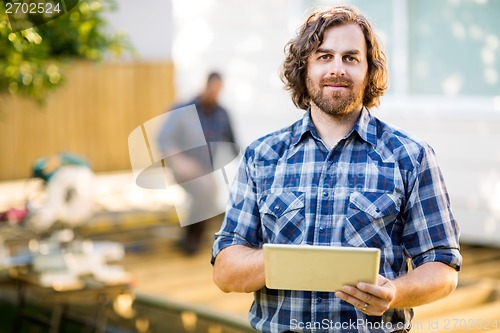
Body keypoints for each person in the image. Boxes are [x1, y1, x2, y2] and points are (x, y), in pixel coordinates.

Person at [211, 5, 461, 333]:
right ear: (304, 68)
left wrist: (395, 293)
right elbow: (225, 271)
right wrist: (285, 261)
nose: (337, 69)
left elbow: (443, 269)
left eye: (351, 57)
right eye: (324, 56)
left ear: (370, 70)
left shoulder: (410, 156)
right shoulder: (263, 156)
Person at [157, 72, 237, 255]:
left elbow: (233, 144)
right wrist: (179, 161)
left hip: (205, 170)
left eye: (218, 91)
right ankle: (190, 241)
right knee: (203, 193)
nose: (214, 95)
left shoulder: (222, 114)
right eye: (212, 90)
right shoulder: (183, 110)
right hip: (183, 168)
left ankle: (191, 239)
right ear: (205, 86)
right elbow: (163, 138)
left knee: (208, 196)